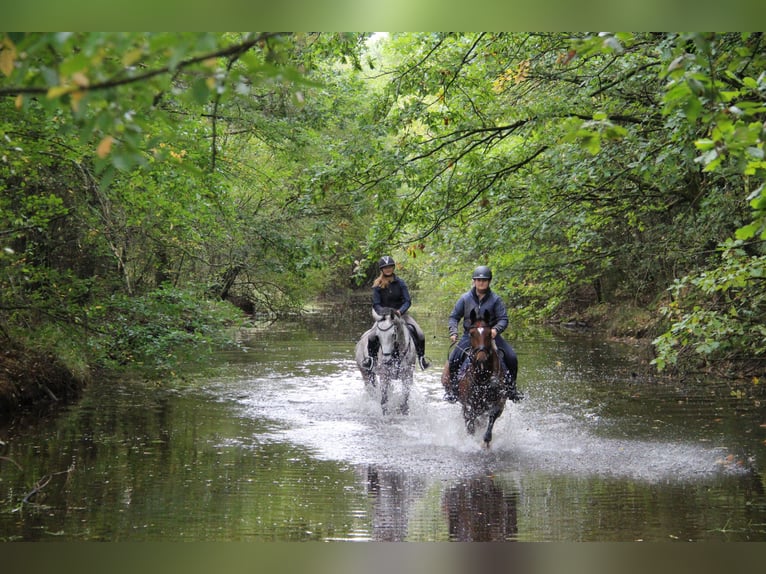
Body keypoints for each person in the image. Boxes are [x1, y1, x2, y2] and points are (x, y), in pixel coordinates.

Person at [444, 265, 523, 403]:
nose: (481, 283)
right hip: (470, 336)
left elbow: (503, 319)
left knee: (511, 357)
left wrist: (495, 330)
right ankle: (454, 391)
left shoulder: (495, 299)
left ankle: (512, 389)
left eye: (484, 280)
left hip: (491, 336)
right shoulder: (464, 299)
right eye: (478, 280)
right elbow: (454, 317)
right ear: (474, 281)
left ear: (489, 282)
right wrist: (453, 331)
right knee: (453, 360)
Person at [361, 255, 430, 371]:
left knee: (420, 333)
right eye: (385, 267)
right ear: (382, 270)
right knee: (372, 336)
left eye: (390, 267)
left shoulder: (400, 283)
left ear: (393, 268)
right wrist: (384, 313)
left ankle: (422, 359)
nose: (388, 269)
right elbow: (376, 304)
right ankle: (371, 360)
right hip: (383, 317)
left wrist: (400, 311)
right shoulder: (377, 285)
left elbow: (407, 301)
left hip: (401, 315)